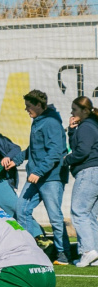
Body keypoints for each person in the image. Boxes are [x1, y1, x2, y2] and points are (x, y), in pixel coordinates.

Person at [11, 89, 71, 265]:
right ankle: (30, 250)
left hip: (50, 177)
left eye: (29, 106)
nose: (26, 109)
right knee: (21, 209)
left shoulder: (51, 122)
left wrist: (38, 171)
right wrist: (17, 160)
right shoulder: (38, 121)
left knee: (54, 216)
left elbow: (55, 153)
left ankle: (63, 253)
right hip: (36, 176)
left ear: (39, 105)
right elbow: (34, 148)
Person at [63, 96, 98, 268]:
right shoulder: (88, 126)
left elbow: (82, 151)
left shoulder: (87, 127)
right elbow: (78, 145)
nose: (71, 112)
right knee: (91, 215)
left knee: (79, 212)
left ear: (85, 111)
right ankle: (95, 254)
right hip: (94, 173)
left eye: (74, 109)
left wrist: (66, 160)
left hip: (89, 172)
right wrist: (71, 130)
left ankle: (87, 251)